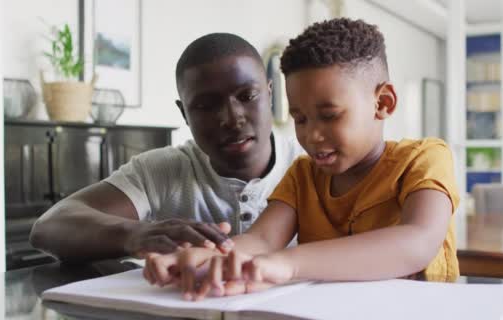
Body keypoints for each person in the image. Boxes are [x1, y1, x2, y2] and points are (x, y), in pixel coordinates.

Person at [143, 18, 460, 301]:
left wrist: (287, 263)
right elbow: (262, 239)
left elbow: (416, 243)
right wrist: (203, 257)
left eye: (329, 116)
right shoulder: (303, 174)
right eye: (300, 119)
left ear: (383, 103)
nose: (312, 135)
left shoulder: (424, 158)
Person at [30, 33, 305, 262]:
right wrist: (136, 234)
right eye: (206, 105)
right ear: (184, 113)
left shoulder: (312, 166)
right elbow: (49, 226)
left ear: (270, 94)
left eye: (247, 96)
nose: (232, 119)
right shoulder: (163, 170)